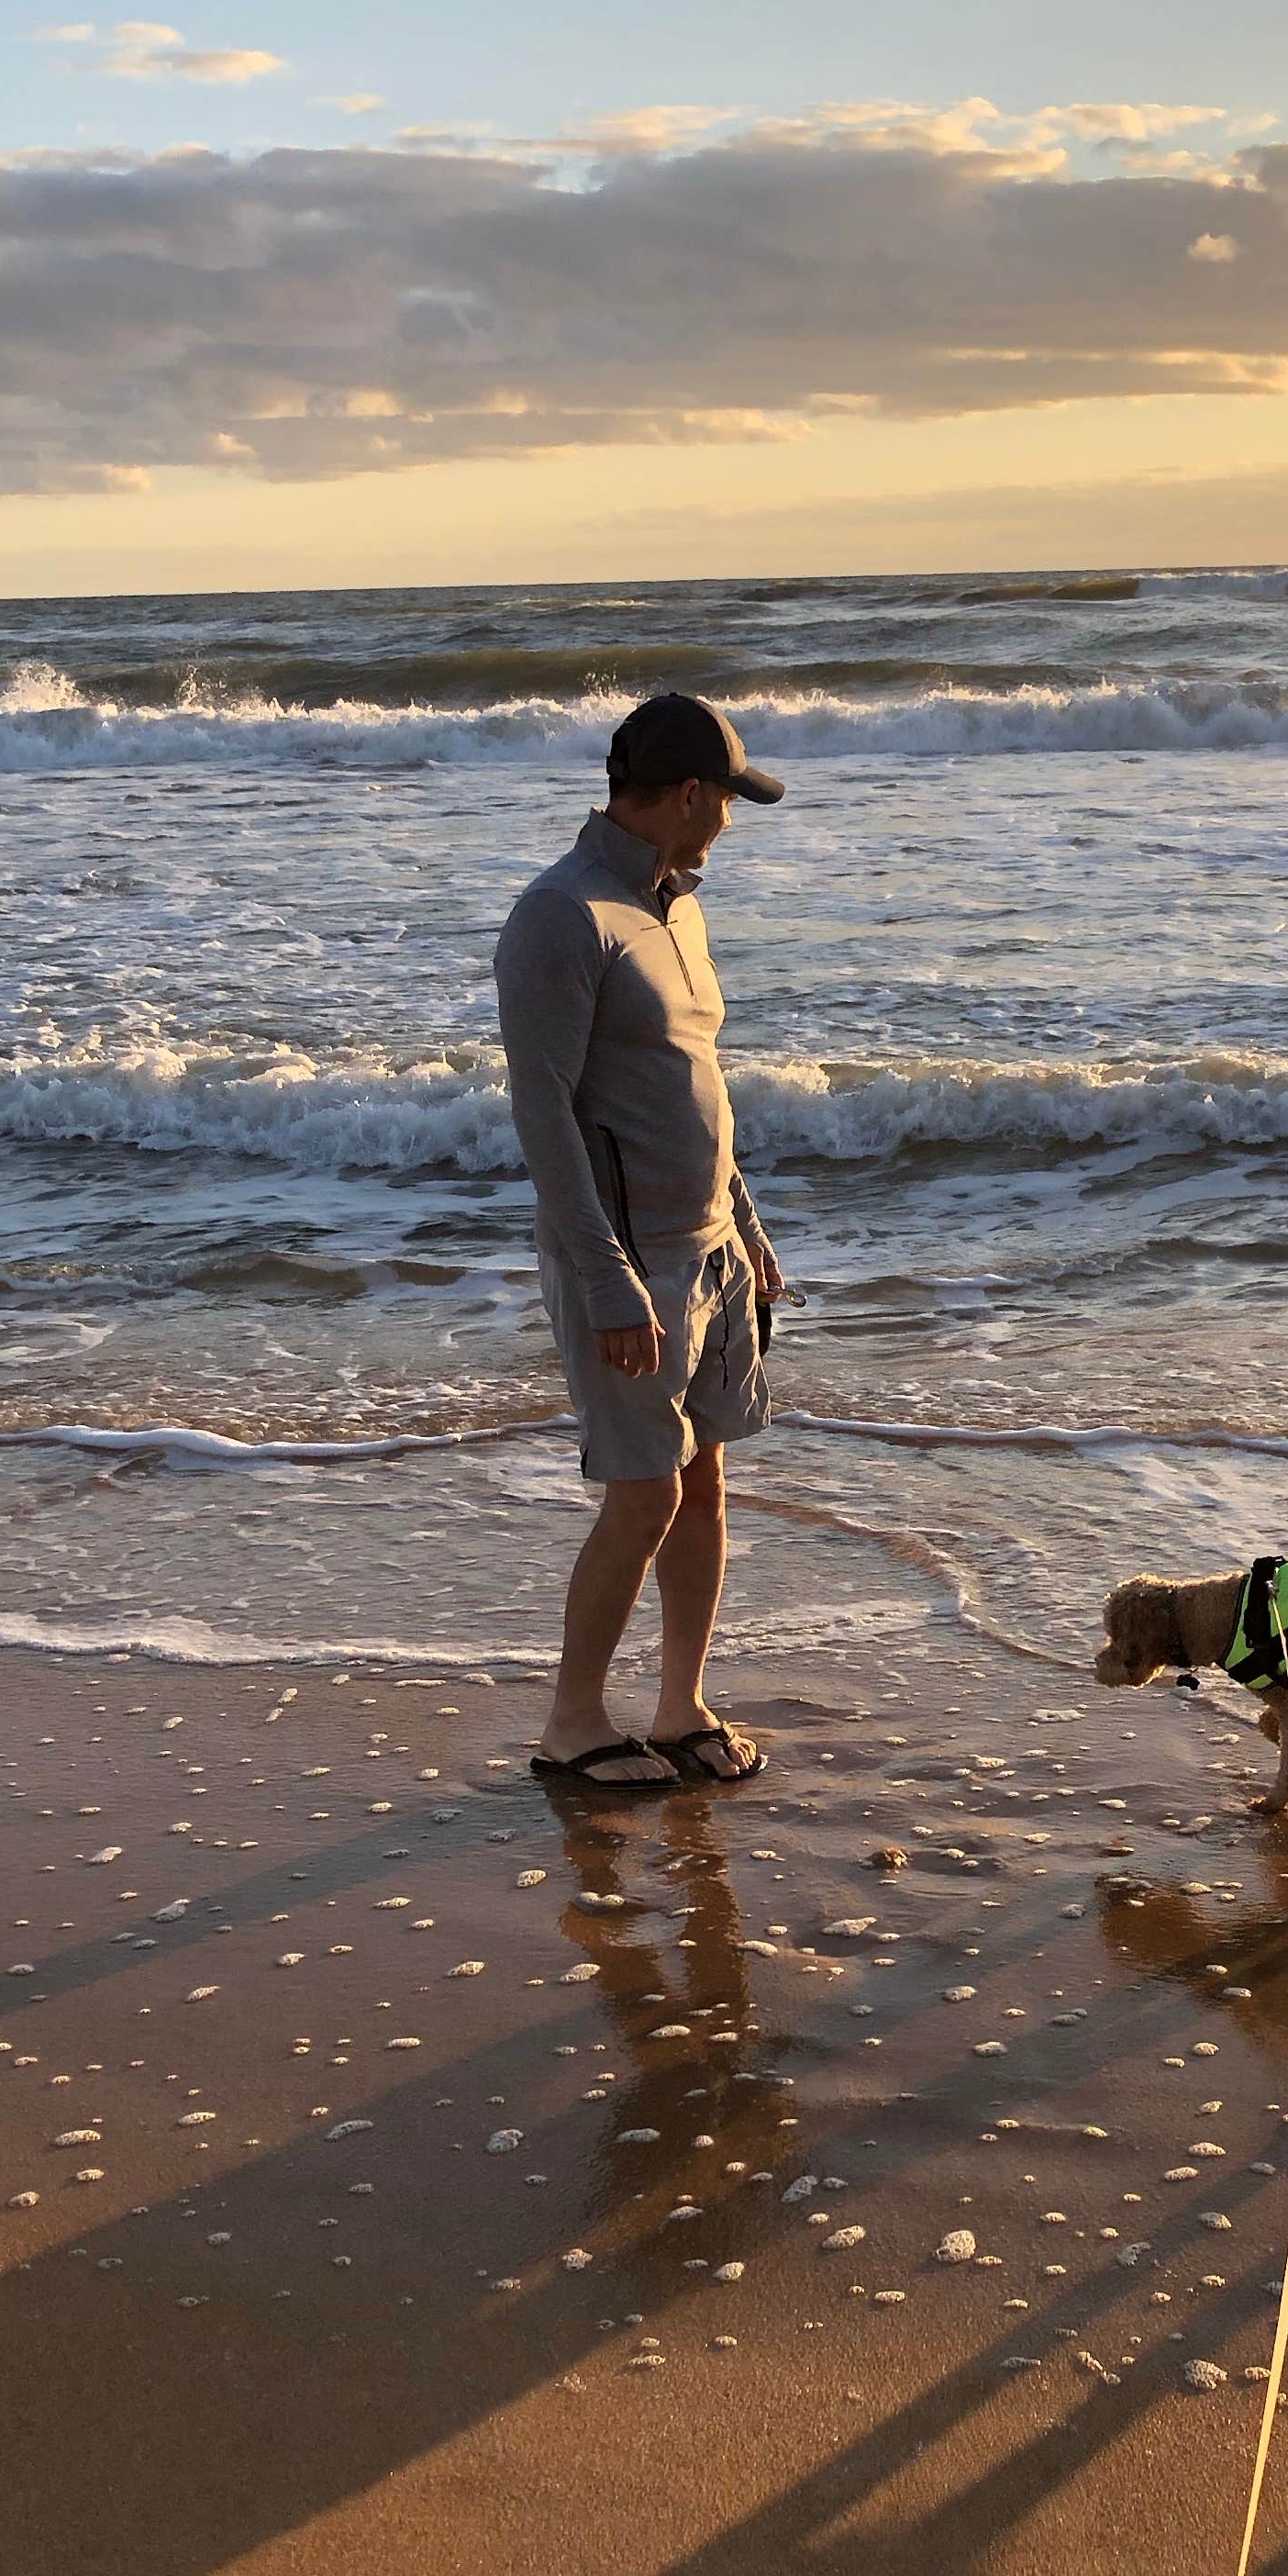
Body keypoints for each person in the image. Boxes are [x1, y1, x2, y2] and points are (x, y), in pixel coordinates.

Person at [495, 692, 789, 1790]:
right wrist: (610, 1282)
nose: (731, 820)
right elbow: (544, 1118)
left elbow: (692, 1084)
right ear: (688, 795)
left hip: (708, 1250)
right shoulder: (561, 917)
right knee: (647, 1493)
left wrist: (745, 1226)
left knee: (702, 1484)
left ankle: (680, 1708)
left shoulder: (678, 910)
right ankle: (572, 1725)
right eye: (728, 800)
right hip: (630, 1261)